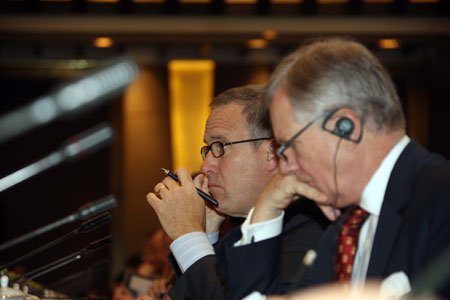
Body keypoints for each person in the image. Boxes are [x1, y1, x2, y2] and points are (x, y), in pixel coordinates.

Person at [221, 37, 450, 300]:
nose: (285, 166)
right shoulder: (343, 227)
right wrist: (265, 210)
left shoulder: (441, 199)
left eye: (290, 145)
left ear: (345, 127)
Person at [146, 85, 329, 300]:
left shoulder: (311, 228)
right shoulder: (237, 230)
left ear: (272, 153)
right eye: (208, 149)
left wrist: (189, 234)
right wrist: (208, 234)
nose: (206, 166)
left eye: (220, 146)